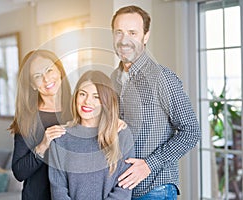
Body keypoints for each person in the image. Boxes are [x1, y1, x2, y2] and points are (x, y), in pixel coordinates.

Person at [110, 5, 201, 200]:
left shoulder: (163, 78)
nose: (124, 40)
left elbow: (191, 130)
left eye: (132, 33)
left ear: (145, 36)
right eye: (119, 32)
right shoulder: (113, 79)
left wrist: (149, 164)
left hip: (155, 189)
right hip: (119, 190)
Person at [48, 70, 135, 200]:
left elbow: (123, 190)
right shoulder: (60, 138)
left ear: (106, 101)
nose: (87, 101)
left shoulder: (121, 134)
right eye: (83, 94)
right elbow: (58, 190)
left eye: (96, 97)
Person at [8, 49, 72, 200]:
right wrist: (42, 146)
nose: (46, 78)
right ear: (32, 84)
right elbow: (19, 173)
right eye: (38, 76)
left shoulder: (77, 109)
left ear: (59, 70)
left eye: (49, 70)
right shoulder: (28, 120)